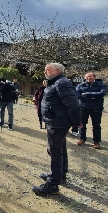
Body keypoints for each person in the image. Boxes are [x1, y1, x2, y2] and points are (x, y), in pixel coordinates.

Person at [32, 63, 81, 196]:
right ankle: (61, 174)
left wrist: (77, 122)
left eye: (48, 70)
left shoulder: (62, 83)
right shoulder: (54, 83)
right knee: (60, 149)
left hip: (58, 122)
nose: (45, 72)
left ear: (57, 71)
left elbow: (73, 104)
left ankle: (53, 184)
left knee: (54, 152)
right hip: (55, 120)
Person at [76, 72, 107, 149]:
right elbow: (77, 95)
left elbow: (102, 93)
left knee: (96, 125)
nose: (88, 78)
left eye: (90, 77)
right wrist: (91, 97)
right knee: (82, 124)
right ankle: (82, 139)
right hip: (84, 108)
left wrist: (86, 94)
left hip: (96, 108)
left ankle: (96, 141)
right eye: (87, 77)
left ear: (94, 77)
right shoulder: (81, 85)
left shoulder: (101, 85)